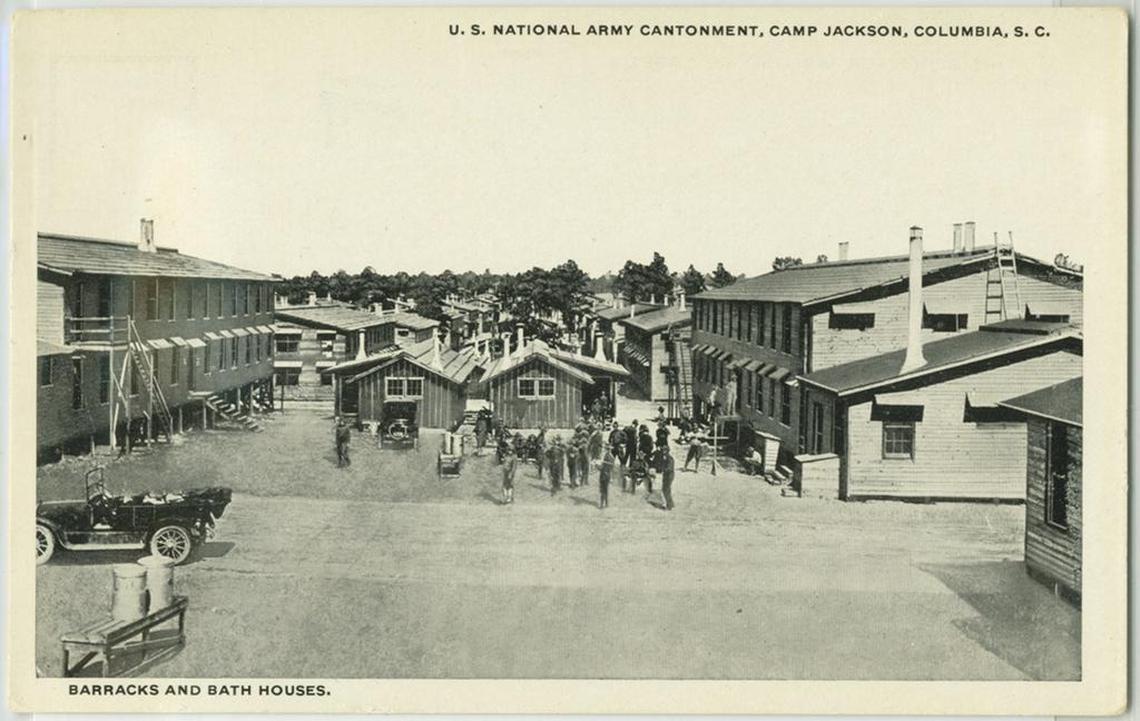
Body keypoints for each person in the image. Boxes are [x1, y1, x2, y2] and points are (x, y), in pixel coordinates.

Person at [660, 446, 676, 510]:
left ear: (667, 451)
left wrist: (663, 469)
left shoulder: (669, 458)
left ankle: (669, 505)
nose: (663, 452)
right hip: (666, 475)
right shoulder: (665, 458)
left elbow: (669, 468)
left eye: (664, 450)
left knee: (666, 489)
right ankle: (670, 504)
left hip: (669, 475)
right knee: (665, 489)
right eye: (663, 450)